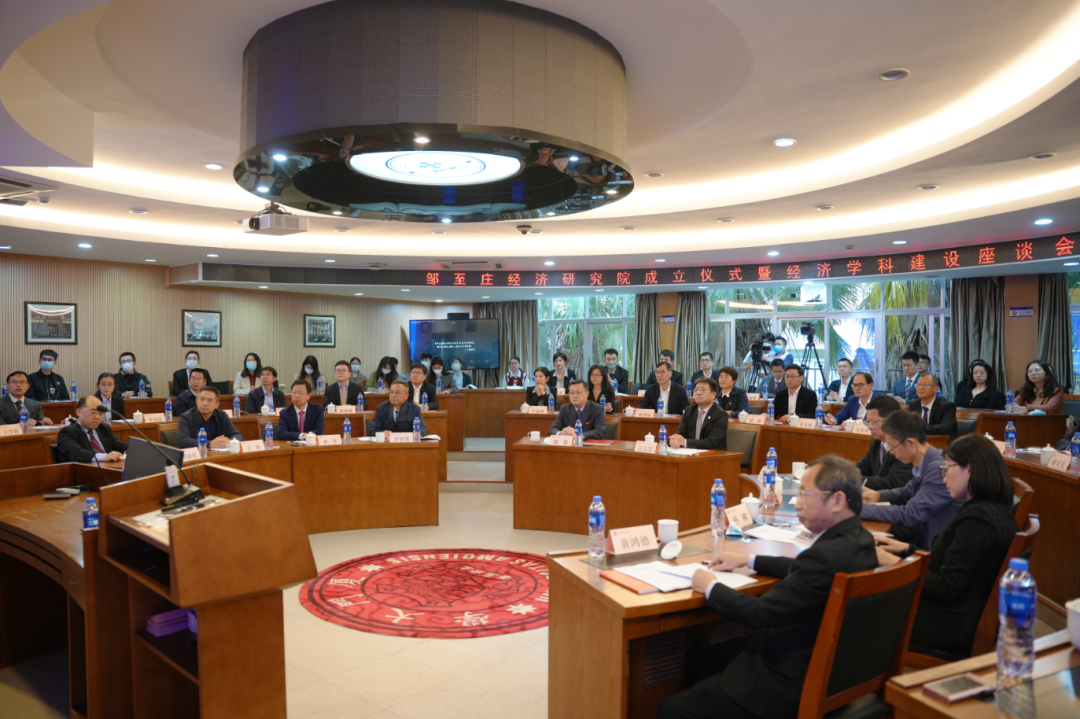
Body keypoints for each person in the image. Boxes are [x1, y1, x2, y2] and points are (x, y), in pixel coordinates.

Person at [659, 455, 877, 719]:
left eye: (805, 494)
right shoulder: (860, 541)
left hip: (789, 678)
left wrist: (711, 587)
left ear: (838, 501)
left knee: (670, 709)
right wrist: (748, 559)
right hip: (837, 669)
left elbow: (761, 613)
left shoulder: (824, 557)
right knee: (699, 659)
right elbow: (804, 570)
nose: (798, 503)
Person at [875, 434, 1018, 659]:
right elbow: (948, 563)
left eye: (947, 469)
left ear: (969, 469)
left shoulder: (978, 520)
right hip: (953, 613)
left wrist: (895, 562)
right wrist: (905, 549)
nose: (944, 479)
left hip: (947, 625)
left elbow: (946, 587)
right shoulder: (989, 508)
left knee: (860, 608)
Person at [862, 409, 960, 550]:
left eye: (891, 446)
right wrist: (878, 495)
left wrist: (858, 509)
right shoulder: (927, 459)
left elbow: (911, 514)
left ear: (910, 442)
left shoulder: (938, 468)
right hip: (921, 536)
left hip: (934, 549)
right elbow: (907, 491)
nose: (890, 452)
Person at [857, 395, 914, 491]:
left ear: (892, 421)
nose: (870, 427)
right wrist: (841, 473)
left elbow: (893, 482)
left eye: (874, 422)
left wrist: (853, 480)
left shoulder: (905, 444)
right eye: (867, 422)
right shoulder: (876, 441)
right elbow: (862, 467)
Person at [56, 396, 128, 463]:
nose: (97, 417)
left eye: (100, 414)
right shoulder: (67, 432)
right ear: (79, 412)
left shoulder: (103, 428)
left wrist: (130, 451)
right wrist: (104, 457)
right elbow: (76, 453)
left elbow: (122, 447)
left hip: (110, 468)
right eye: (93, 413)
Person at [669, 377, 728, 450]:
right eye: (696, 390)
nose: (698, 393)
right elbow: (680, 433)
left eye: (703, 390)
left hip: (713, 454)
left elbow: (712, 442)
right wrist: (674, 440)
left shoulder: (720, 415)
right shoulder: (689, 411)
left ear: (713, 395)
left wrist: (685, 442)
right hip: (690, 453)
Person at [177, 386, 243, 449]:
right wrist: (210, 444)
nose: (205, 403)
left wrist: (229, 442)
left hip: (219, 454)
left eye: (209, 400)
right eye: (202, 399)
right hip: (198, 454)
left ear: (216, 405)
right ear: (197, 401)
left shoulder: (221, 415)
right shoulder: (186, 417)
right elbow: (183, 441)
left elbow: (237, 435)